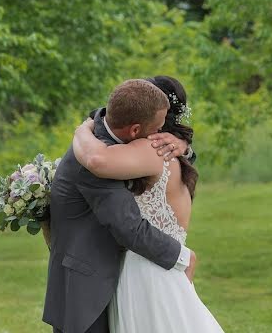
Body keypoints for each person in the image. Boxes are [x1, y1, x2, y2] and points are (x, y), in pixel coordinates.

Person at [42, 78, 197, 333]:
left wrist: (184, 147)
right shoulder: (99, 155)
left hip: (132, 269)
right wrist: (183, 256)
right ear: (136, 129)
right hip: (90, 282)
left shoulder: (119, 136)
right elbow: (127, 224)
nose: (158, 135)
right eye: (156, 127)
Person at [72, 75, 224, 333]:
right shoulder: (173, 154)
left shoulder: (150, 148)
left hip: (146, 270)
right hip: (165, 266)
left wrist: (81, 130)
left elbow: (98, 160)